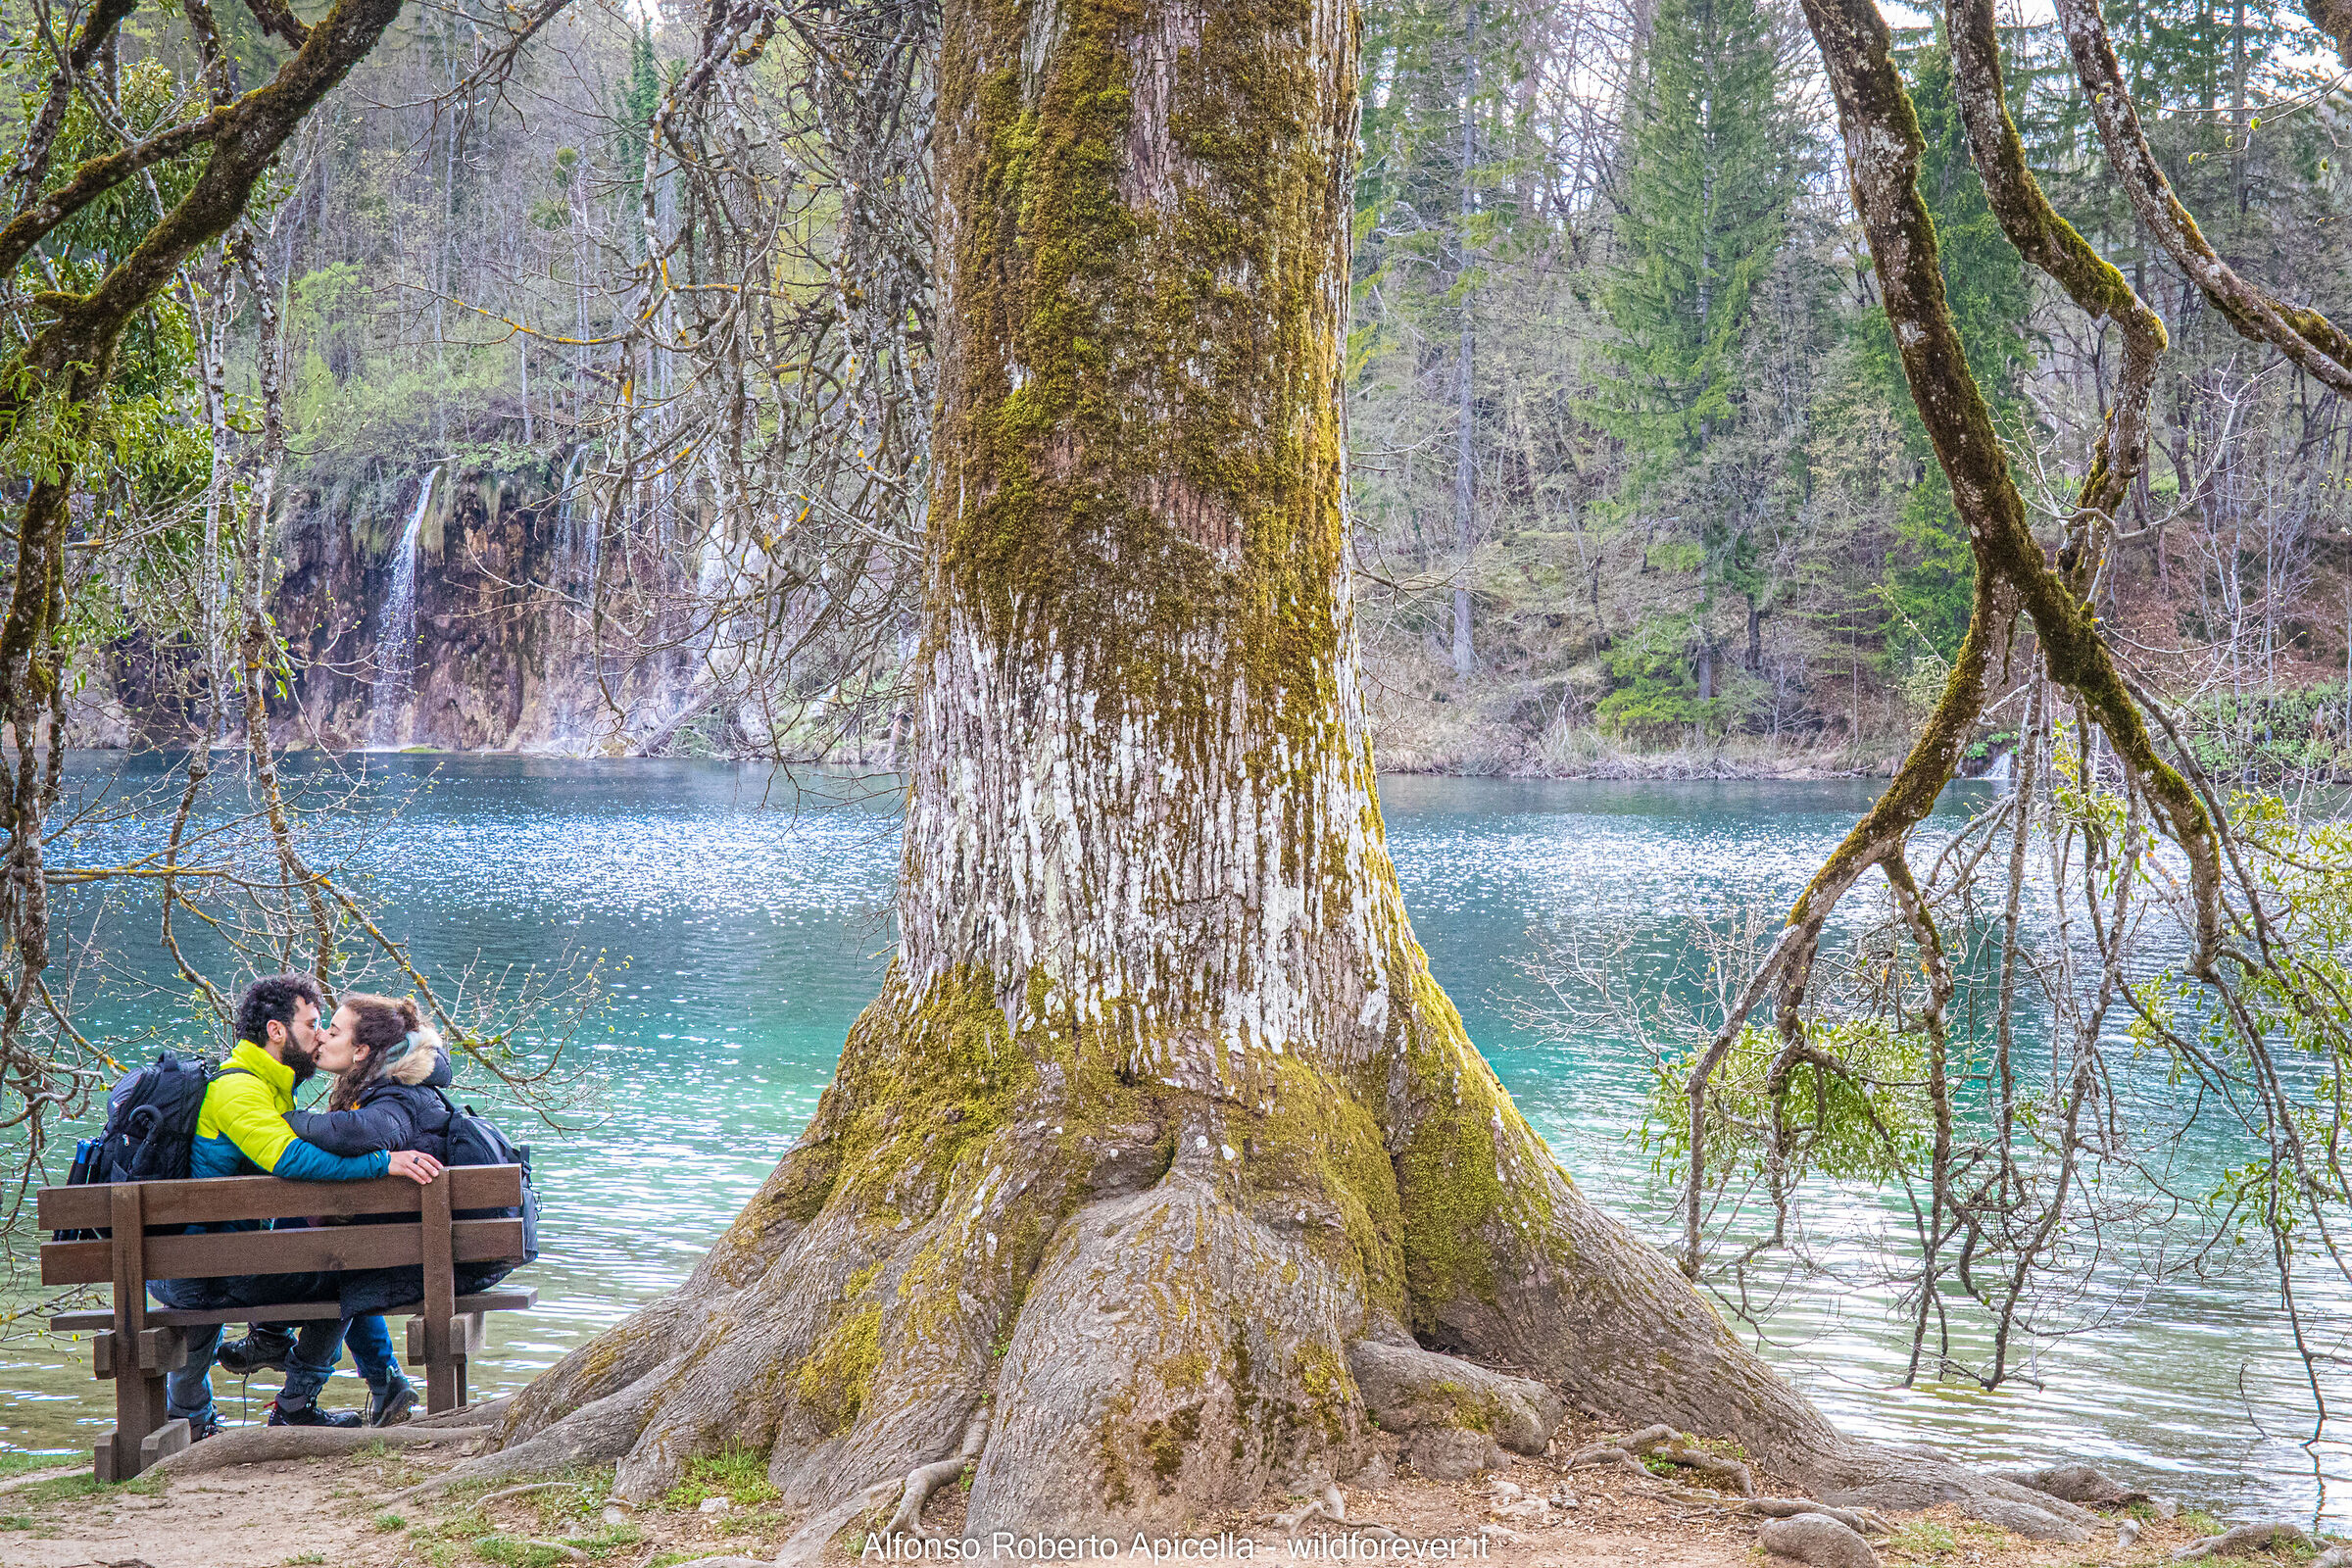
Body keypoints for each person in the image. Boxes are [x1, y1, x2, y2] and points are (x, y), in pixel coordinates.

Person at [154, 974, 443, 1439]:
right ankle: (293, 1403)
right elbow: (290, 1157)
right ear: (276, 1031)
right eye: (311, 1024)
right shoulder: (240, 1090)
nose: (318, 1036)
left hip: (202, 1259)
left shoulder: (266, 1084)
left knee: (324, 1257)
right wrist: (381, 1163)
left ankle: (201, 1407)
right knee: (346, 1274)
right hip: (202, 1270)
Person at [218, 993, 463, 1428]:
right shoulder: (387, 1086)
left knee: (339, 1271)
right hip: (408, 1248)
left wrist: (281, 1121)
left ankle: (292, 1396)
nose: (322, 1038)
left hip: (415, 1260)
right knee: (338, 1255)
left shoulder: (396, 1096)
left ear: (362, 1051)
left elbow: (355, 1134)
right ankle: (374, 1386)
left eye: (332, 1031)